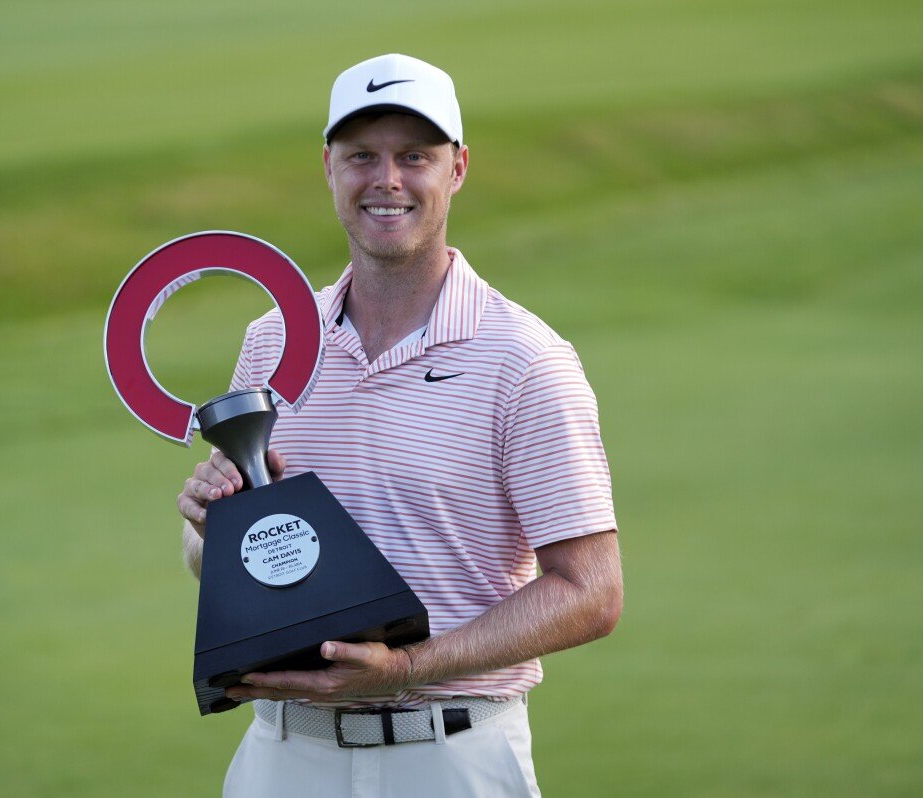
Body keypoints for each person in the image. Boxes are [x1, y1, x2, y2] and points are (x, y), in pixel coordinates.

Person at [176, 53, 622, 798]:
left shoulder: (523, 359)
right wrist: (207, 527)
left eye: (415, 156)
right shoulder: (272, 341)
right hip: (286, 755)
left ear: (458, 168)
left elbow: (591, 591)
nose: (386, 180)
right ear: (328, 167)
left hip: (450, 754)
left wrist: (411, 666)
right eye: (362, 157)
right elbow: (223, 561)